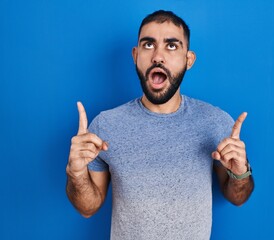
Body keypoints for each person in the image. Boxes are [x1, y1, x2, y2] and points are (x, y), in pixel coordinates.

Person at [66, 10, 254, 240]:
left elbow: (238, 198)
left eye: (172, 46)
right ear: (135, 55)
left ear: (189, 59)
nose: (158, 56)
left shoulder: (215, 121)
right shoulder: (105, 126)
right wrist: (76, 174)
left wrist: (240, 173)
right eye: (148, 45)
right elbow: (88, 208)